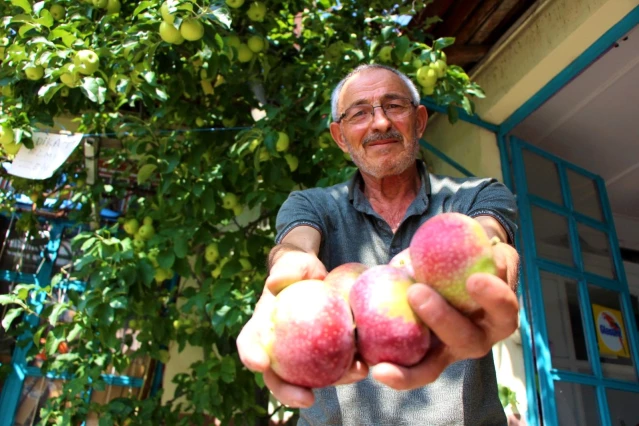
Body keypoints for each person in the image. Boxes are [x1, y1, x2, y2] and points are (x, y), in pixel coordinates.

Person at [237, 64, 520, 425]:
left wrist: (491, 265)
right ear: (340, 137)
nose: (380, 123)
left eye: (394, 106)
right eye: (359, 113)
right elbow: (296, 244)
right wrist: (288, 264)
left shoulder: (475, 195)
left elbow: (490, 235)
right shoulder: (312, 205)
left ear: (419, 121)